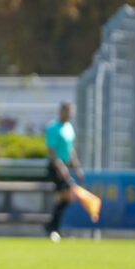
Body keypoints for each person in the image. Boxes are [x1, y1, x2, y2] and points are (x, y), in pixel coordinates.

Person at [44, 101, 84, 243]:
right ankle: (52, 228)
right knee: (66, 197)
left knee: (65, 198)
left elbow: (71, 149)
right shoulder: (53, 127)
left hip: (65, 166)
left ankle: (53, 228)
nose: (70, 114)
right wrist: (60, 167)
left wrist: (77, 167)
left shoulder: (69, 128)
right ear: (61, 111)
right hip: (56, 166)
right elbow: (52, 150)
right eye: (67, 111)